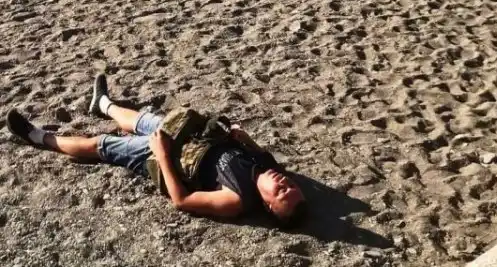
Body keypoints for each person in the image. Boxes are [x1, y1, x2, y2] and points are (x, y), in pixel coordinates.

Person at [7, 74, 306, 226]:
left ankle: (39, 137)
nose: (284, 182)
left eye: (281, 192)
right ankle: (103, 104)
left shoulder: (236, 199)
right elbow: (254, 153)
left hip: (170, 156)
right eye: (291, 185)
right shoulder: (270, 166)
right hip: (193, 138)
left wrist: (161, 155)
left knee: (101, 144)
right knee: (142, 119)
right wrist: (245, 138)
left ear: (268, 206)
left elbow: (182, 200)